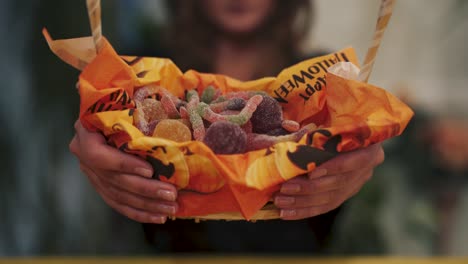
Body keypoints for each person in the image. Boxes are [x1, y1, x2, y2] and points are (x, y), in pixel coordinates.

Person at [69, 0, 385, 253]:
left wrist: (359, 154)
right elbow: (95, 125)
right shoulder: (145, 73)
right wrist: (94, 135)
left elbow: (362, 151)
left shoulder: (323, 82)